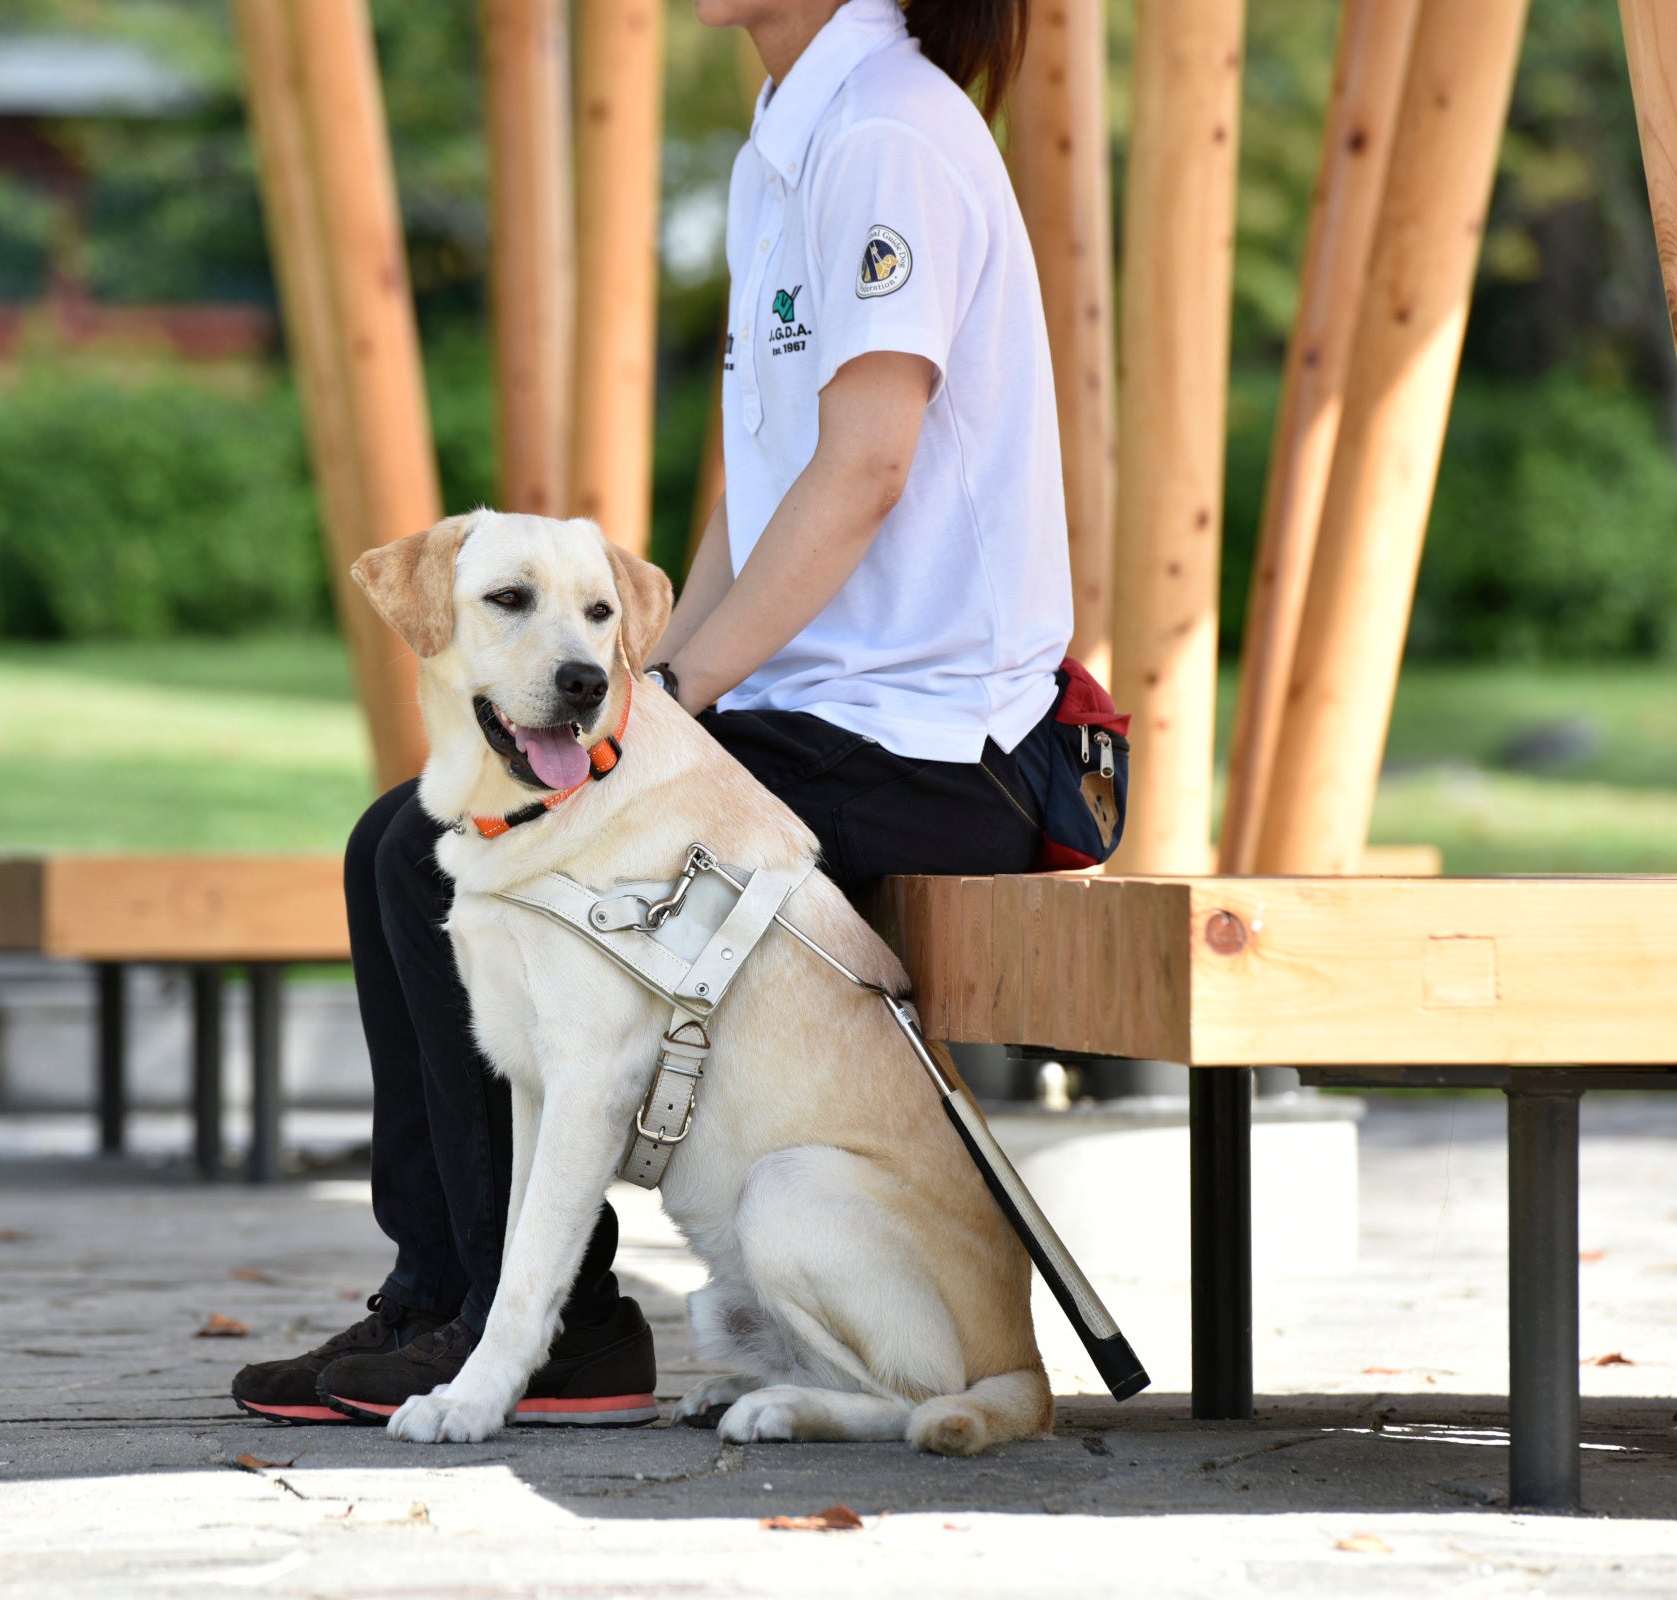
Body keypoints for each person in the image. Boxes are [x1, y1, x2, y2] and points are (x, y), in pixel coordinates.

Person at [233, 0, 1075, 1425]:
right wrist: (651, 684)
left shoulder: (887, 133)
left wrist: (668, 697)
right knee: (419, 834)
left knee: (417, 851)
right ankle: (444, 1294)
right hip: (823, 712)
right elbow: (764, 496)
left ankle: (540, 1325)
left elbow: (866, 468)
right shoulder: (786, 145)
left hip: (933, 743)